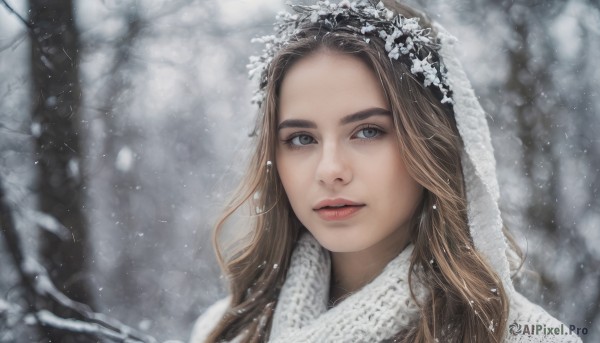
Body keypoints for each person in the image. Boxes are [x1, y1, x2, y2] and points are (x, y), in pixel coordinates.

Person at [189, 1, 582, 342]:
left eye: (368, 131)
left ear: (432, 142)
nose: (330, 171)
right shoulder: (226, 330)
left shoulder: (515, 334)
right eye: (301, 139)